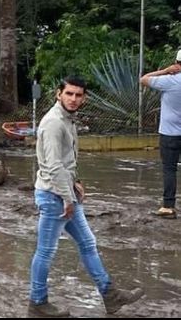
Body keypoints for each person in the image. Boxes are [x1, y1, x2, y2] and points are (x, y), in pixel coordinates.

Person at [28, 76, 144, 317]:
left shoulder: (67, 119)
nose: (73, 99)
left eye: (78, 95)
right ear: (58, 94)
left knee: (88, 244)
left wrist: (75, 183)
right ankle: (37, 303)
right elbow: (53, 166)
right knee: (45, 252)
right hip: (54, 197)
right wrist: (68, 199)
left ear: (84, 98)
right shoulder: (53, 123)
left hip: (64, 192)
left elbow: (66, 161)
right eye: (69, 94)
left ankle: (110, 295)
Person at [140, 50, 181, 219]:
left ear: (176, 63)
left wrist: (165, 71)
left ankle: (168, 206)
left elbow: (143, 79)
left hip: (170, 134)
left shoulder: (169, 81)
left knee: (169, 169)